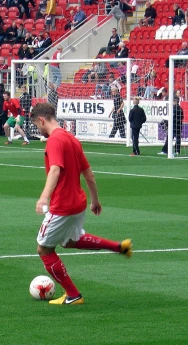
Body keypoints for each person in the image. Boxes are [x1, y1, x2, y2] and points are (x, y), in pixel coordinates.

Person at [28, 102, 132, 306]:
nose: (39, 130)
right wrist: (95, 200)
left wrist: (43, 197)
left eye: (37, 125)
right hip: (78, 203)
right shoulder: (72, 139)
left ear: (42, 120)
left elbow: (55, 170)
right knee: (69, 241)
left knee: (44, 250)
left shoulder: (55, 140)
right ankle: (119, 247)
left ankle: (73, 295)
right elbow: (89, 174)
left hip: (63, 205)